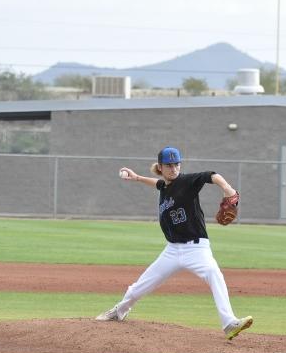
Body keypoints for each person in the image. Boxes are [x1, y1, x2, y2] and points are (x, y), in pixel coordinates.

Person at [95, 146, 253, 340]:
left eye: (176, 164)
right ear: (160, 167)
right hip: (171, 251)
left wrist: (228, 189)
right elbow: (158, 184)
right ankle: (119, 311)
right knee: (140, 286)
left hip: (197, 248)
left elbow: (211, 175)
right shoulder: (165, 186)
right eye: (169, 165)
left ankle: (229, 323)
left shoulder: (186, 182)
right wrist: (137, 178)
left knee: (214, 274)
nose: (174, 168)